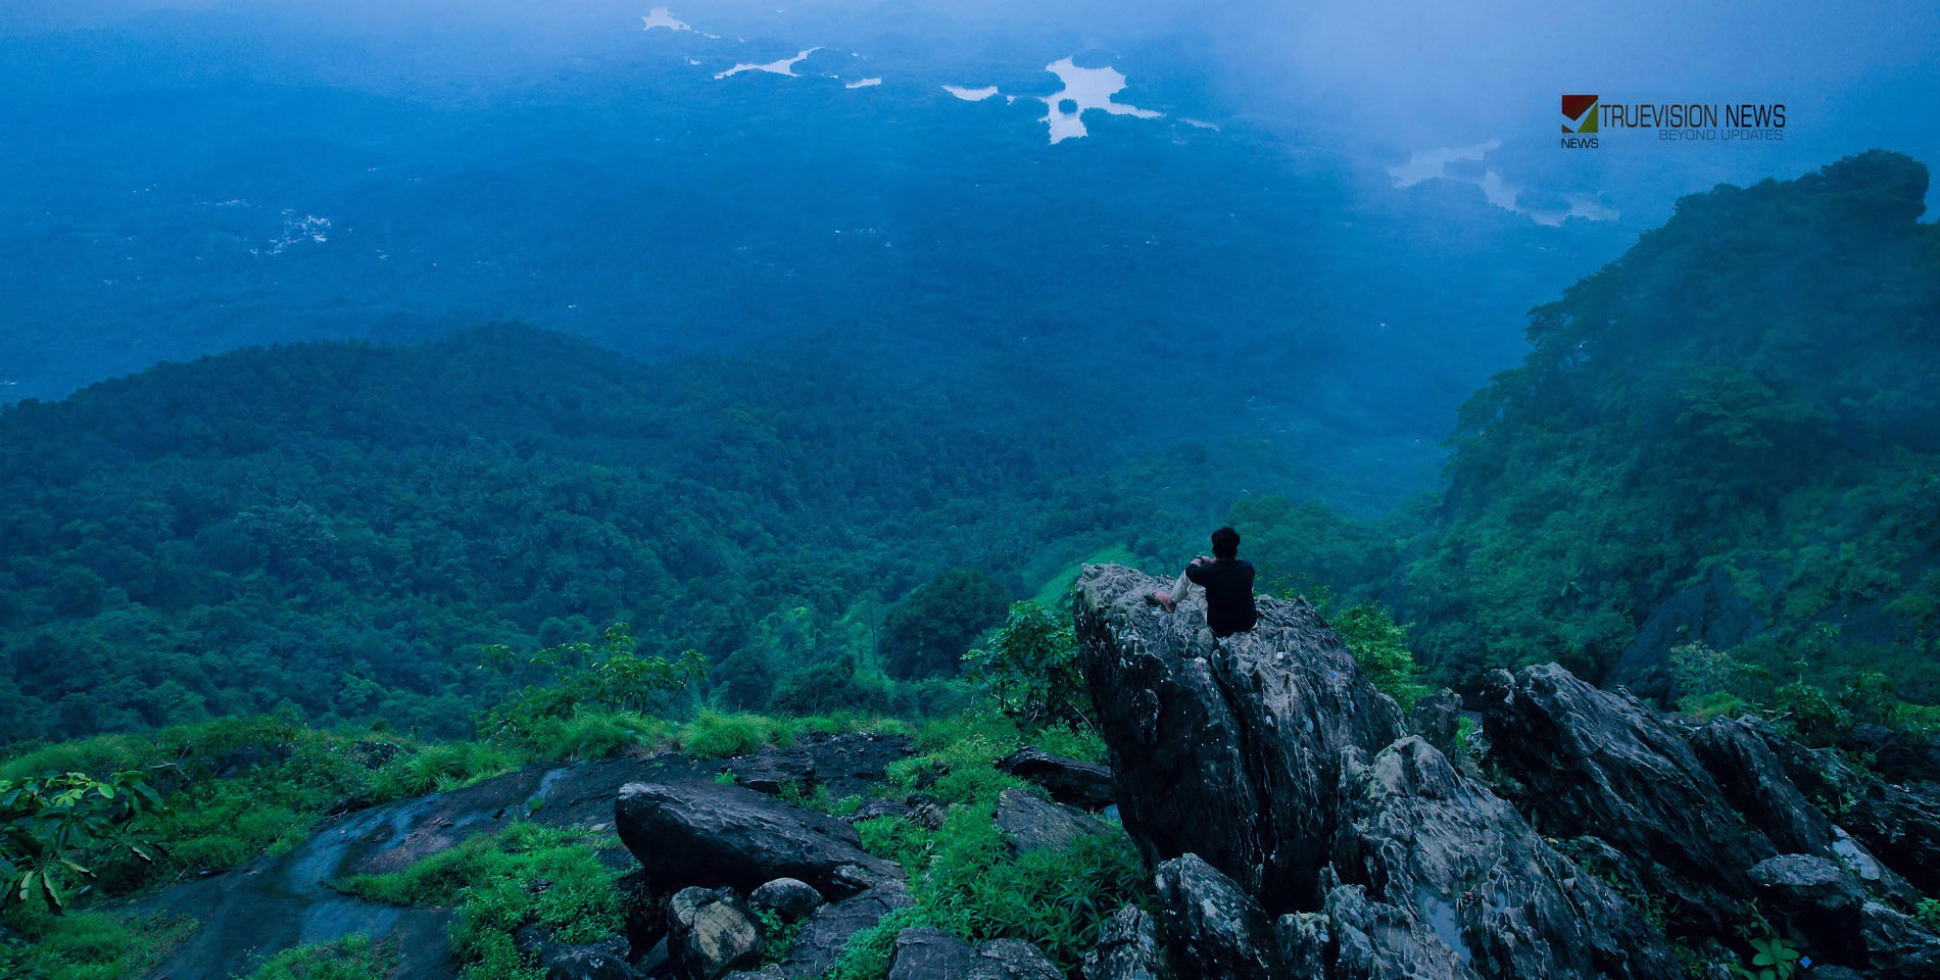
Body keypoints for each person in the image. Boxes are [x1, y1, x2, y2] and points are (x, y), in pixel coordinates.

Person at [1150, 526, 1259, 638]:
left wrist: (1199, 559)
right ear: (1235, 549)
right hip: (1248, 624)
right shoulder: (1247, 567)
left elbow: (1189, 571)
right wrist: (1216, 562)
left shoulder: (1208, 572)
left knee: (1190, 583)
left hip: (1220, 628)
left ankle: (1170, 602)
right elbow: (1228, 574)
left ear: (1214, 550)